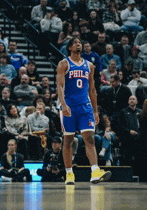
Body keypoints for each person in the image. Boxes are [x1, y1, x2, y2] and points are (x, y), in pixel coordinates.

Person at [56, 37, 111, 185]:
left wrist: (95, 111)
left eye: (80, 42)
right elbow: (60, 86)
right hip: (69, 106)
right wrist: (63, 104)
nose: (78, 44)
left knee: (90, 138)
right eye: (75, 43)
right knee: (68, 140)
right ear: (69, 48)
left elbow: (92, 89)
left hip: (85, 107)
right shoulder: (64, 64)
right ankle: (69, 174)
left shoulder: (90, 66)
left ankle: (95, 171)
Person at [118, 95, 141, 166]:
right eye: (130, 99)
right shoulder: (123, 112)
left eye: (133, 99)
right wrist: (129, 131)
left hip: (138, 139)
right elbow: (120, 125)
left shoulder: (140, 112)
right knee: (127, 158)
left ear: (137, 101)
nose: (131, 100)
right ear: (128, 101)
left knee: (138, 158)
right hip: (127, 139)